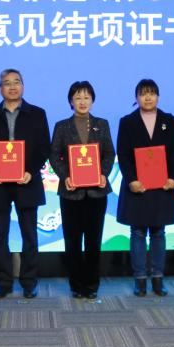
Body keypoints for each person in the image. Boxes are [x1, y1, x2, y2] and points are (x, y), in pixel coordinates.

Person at [0, 69, 51, 299]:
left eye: (16, 82)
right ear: (0, 88)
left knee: (30, 235)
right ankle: (4, 282)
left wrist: (30, 171)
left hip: (27, 181)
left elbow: (44, 148)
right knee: (0, 235)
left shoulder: (37, 114)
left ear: (23, 86)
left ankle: (29, 282)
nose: (12, 86)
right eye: (7, 83)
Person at [116, 79, 174, 297]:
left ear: (158, 97)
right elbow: (123, 154)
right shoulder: (127, 122)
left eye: (152, 93)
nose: (148, 97)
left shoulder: (169, 121)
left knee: (158, 232)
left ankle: (158, 278)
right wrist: (131, 180)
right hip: (137, 186)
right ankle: (140, 279)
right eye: (143, 93)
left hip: (162, 186)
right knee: (137, 233)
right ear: (136, 97)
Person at [49, 81, 115, 299]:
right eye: (78, 97)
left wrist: (103, 173)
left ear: (92, 100)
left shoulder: (102, 124)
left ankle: (92, 285)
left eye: (86, 97)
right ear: (71, 101)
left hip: (97, 192)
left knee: (94, 241)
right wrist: (65, 176)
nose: (82, 101)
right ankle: (76, 285)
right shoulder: (61, 126)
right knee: (73, 241)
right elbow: (54, 155)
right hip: (71, 192)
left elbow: (109, 153)